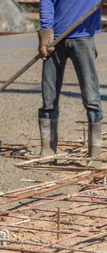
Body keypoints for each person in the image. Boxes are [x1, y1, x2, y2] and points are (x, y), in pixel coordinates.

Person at [38, 0, 103, 167]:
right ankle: (47, 149)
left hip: (83, 37)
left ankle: (94, 154)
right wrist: (45, 30)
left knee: (91, 98)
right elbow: (47, 1)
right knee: (48, 98)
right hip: (55, 39)